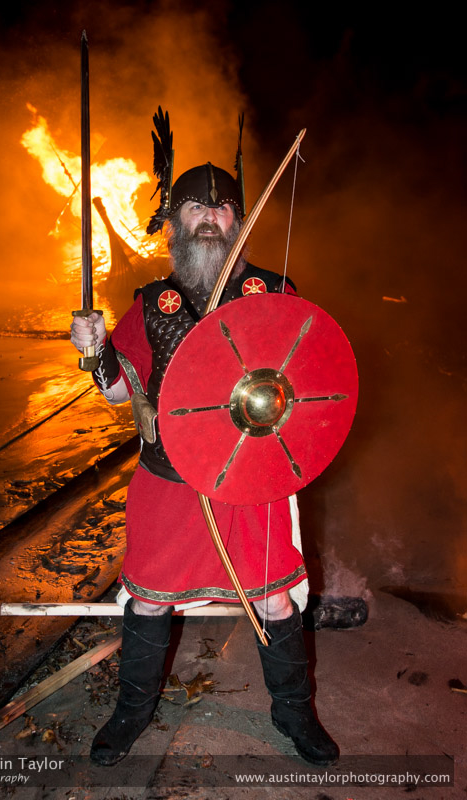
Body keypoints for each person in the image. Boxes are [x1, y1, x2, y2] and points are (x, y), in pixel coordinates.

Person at [70, 161, 339, 769]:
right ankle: (131, 713)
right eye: (196, 208)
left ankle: (294, 712)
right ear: (175, 223)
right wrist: (95, 351)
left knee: (272, 601)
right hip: (169, 476)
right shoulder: (154, 303)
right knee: (148, 601)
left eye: (220, 209)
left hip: (254, 481)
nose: (210, 218)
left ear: (237, 221)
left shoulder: (271, 291)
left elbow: (314, 381)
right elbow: (120, 392)